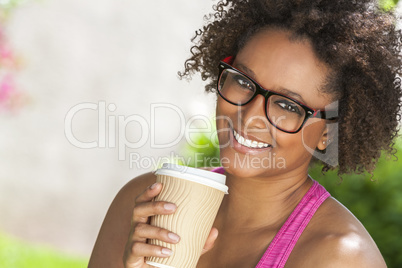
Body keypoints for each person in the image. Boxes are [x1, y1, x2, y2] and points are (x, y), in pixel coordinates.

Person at [88, 0, 401, 267]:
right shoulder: (143, 203)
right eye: (243, 82)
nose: (249, 116)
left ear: (328, 131)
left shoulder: (340, 257)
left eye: (288, 106)